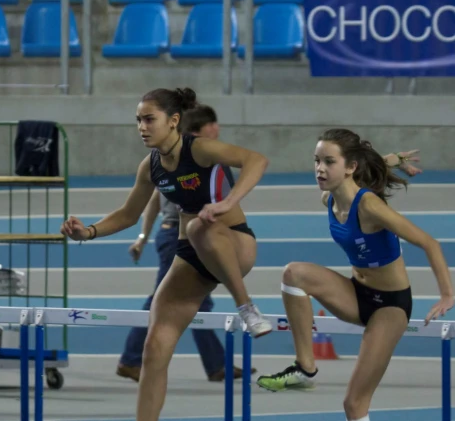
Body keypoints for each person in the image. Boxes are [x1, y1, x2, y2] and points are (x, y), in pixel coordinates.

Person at [61, 87, 271, 421]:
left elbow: (257, 160)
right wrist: (87, 232)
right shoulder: (151, 166)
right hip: (191, 255)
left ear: (173, 121)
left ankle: (247, 306)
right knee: (154, 349)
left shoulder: (199, 149)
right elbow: (128, 214)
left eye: (149, 119)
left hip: (233, 243)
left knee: (196, 227)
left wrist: (227, 203)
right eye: (138, 120)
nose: (142, 127)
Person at [256, 129, 448, 421]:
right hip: (356, 294)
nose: (320, 168)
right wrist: (390, 160)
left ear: (350, 167)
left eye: (329, 161)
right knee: (293, 274)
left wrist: (448, 294)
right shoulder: (329, 199)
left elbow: (428, 243)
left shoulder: (369, 205)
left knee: (354, 404)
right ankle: (305, 368)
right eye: (316, 160)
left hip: (390, 306)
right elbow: (365, 167)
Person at [117, 105, 256, 383]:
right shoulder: (176, 158)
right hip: (177, 237)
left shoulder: (201, 156)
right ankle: (133, 358)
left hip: (195, 233)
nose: (216, 129)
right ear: (196, 131)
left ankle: (216, 364)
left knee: (190, 302)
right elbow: (151, 200)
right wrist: (143, 236)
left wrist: (143, 238)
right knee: (167, 300)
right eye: (211, 125)